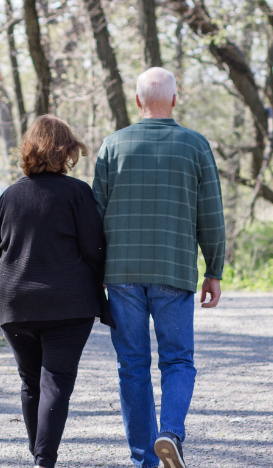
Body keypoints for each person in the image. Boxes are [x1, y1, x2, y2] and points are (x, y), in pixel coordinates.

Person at [92, 67, 226, 468]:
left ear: (137, 101)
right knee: (177, 361)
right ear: (174, 99)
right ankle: (170, 433)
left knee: (131, 365)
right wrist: (214, 269)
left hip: (121, 275)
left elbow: (94, 217)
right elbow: (212, 215)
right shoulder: (195, 145)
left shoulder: (113, 145)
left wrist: (94, 274)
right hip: (173, 270)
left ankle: (143, 460)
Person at [0, 115, 112, 468]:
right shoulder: (77, 193)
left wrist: (6, 293)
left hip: (14, 304)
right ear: (68, 150)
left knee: (31, 381)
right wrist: (104, 278)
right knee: (56, 380)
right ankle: (43, 460)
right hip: (67, 305)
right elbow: (94, 248)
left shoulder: (9, 195)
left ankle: (39, 455)